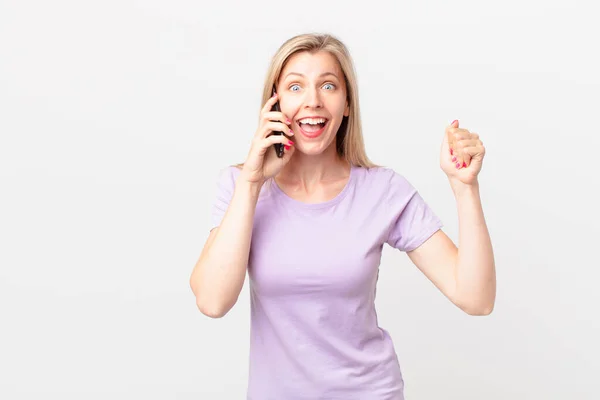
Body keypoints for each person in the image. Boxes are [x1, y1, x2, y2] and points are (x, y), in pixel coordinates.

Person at [190, 33, 496, 400]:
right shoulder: (241, 186)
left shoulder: (383, 190)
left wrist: (465, 188)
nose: (313, 101)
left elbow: (476, 298)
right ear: (275, 101)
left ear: (347, 103)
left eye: (329, 86)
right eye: (296, 86)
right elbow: (212, 301)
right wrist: (252, 182)